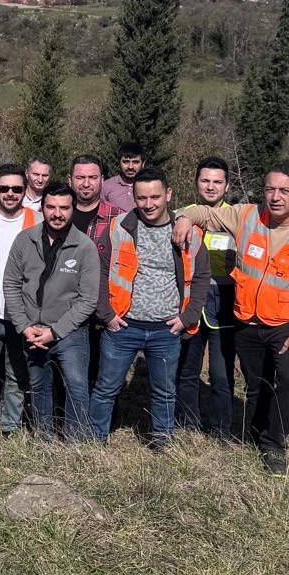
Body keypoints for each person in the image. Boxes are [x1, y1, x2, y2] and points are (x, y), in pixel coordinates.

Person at [175, 165, 289, 476]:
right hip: (248, 321)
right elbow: (206, 214)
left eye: (284, 191)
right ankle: (255, 434)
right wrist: (185, 218)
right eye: (270, 189)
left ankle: (274, 443)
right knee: (256, 384)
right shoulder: (248, 215)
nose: (275, 197)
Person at [91, 168, 210, 449]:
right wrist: (106, 314)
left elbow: (202, 277)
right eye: (141, 198)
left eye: (155, 197)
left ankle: (162, 444)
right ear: (133, 197)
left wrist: (188, 317)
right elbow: (100, 271)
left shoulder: (190, 233)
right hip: (123, 326)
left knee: (164, 392)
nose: (148, 204)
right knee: (106, 388)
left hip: (166, 329)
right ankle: (93, 442)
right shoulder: (118, 228)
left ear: (168, 194)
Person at [5, 181, 103, 442]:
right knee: (39, 386)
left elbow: (88, 300)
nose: (57, 214)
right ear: (42, 207)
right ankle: (43, 439)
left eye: (64, 208)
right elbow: (11, 284)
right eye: (51, 207)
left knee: (76, 386)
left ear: (73, 209)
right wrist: (24, 326)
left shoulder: (84, 247)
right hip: (32, 331)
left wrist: (55, 331)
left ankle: (76, 441)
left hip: (70, 332)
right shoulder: (25, 240)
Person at [176, 157, 240, 439]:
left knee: (221, 374)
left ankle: (220, 428)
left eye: (217, 182)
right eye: (205, 181)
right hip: (190, 303)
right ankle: (187, 424)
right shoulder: (181, 215)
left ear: (227, 186)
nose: (210, 187)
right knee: (187, 370)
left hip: (224, 304)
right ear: (196, 183)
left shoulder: (238, 218)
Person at [0, 164, 39, 434]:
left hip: (23, 313)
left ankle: (10, 425)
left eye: (16, 188)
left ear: (25, 190)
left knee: (17, 374)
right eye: (4, 188)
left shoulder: (38, 221)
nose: (10, 193)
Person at [67, 154, 121, 260]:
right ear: (70, 180)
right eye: (80, 178)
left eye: (92, 178)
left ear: (102, 180)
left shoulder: (118, 217)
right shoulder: (53, 213)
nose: (86, 184)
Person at [101, 141, 146, 214]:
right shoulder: (106, 186)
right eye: (126, 162)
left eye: (135, 162)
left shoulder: (149, 186)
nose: (130, 167)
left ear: (143, 164)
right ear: (119, 162)